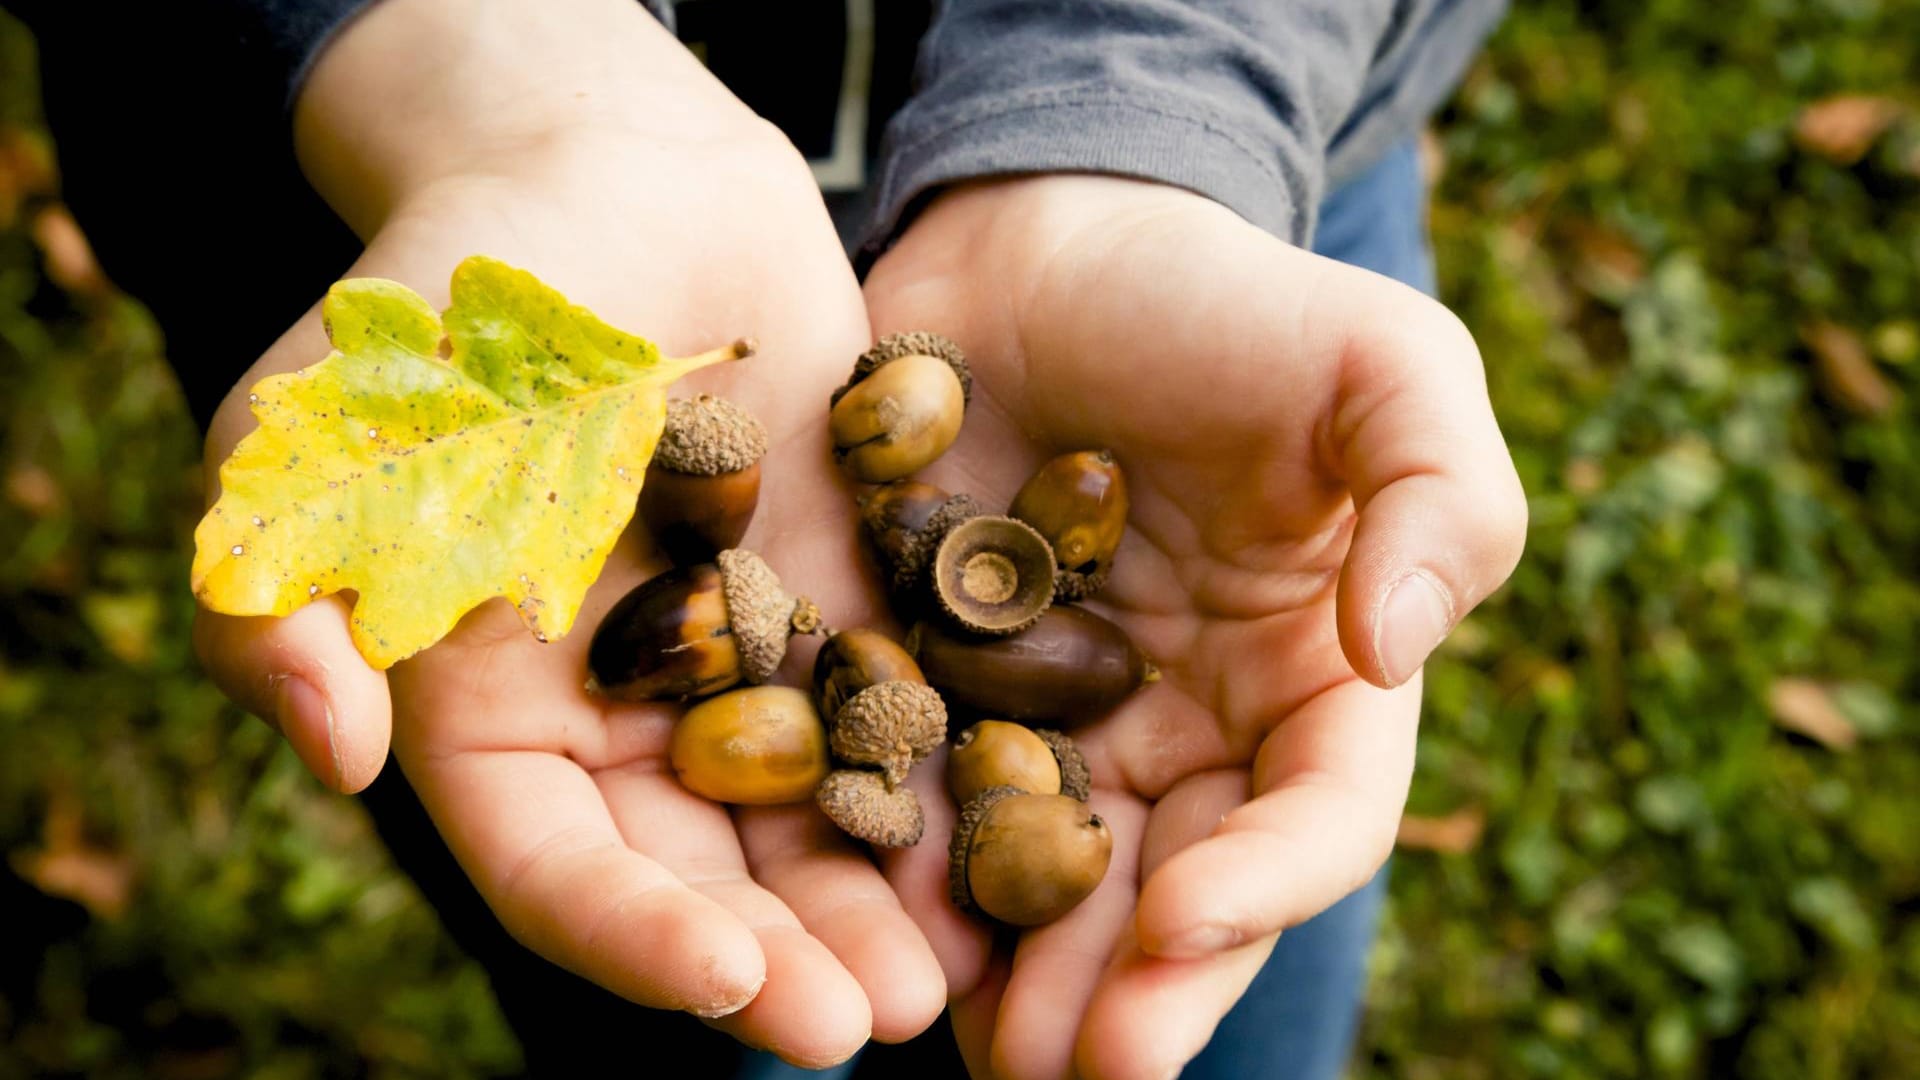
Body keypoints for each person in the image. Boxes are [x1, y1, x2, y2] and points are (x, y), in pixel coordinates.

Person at [19, 1, 1526, 1076]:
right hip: (361, 170)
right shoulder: (798, 620)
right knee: (691, 1000)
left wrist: (1150, 120)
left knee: (1207, 985)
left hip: (1229, 172)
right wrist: (473, 55)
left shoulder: (967, 613)